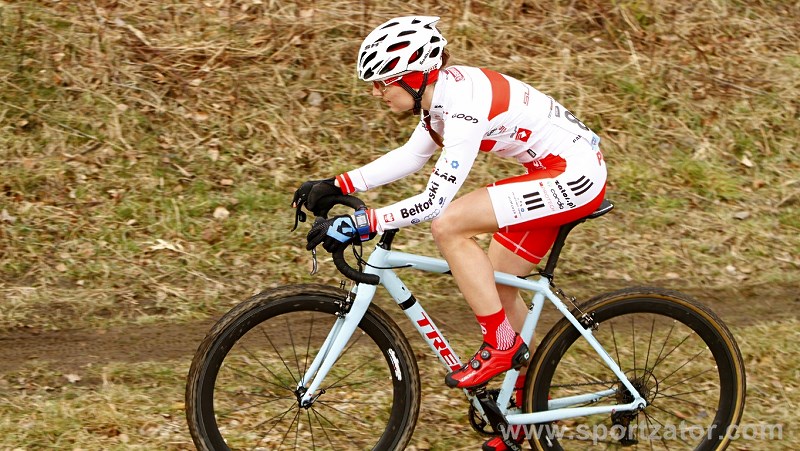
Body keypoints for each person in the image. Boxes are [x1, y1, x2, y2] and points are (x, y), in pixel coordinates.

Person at [294, 15, 607, 451]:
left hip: (571, 176)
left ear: (415, 76)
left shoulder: (462, 106)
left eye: (382, 82)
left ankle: (501, 344)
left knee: (450, 225)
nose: (376, 92)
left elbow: (433, 203)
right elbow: (411, 156)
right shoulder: (439, 98)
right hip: (554, 170)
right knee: (499, 285)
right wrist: (338, 183)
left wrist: (365, 222)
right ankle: (524, 413)